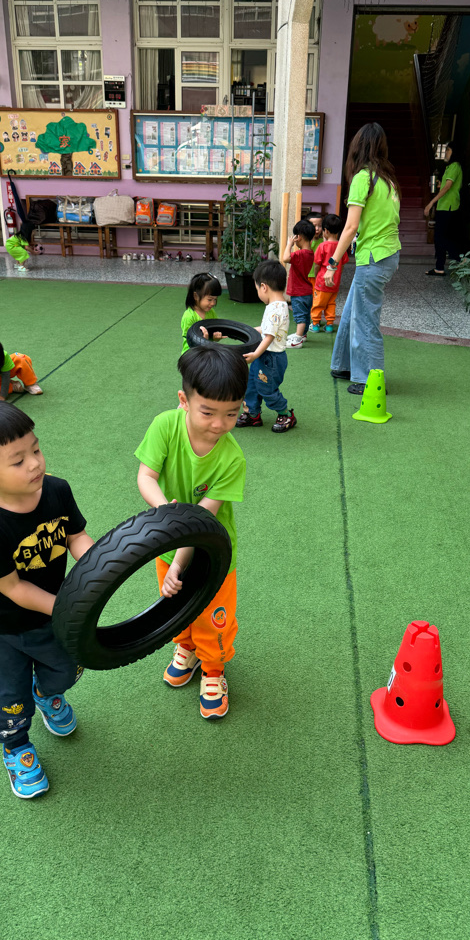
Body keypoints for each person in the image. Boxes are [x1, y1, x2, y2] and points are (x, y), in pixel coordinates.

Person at [0, 400, 95, 798]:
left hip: (50, 615)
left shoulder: (57, 490)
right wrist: (65, 607)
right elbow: (13, 588)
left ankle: (45, 694)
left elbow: (76, 536)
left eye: (36, 449)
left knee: (67, 670)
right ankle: (16, 747)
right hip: (2, 630)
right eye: (18, 460)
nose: (35, 464)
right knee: (8, 696)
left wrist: (100, 570)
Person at [135, 345, 248, 720]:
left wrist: (179, 563)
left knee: (214, 615)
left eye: (232, 413)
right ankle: (185, 646)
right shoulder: (165, 426)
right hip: (169, 541)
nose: (219, 424)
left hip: (211, 550)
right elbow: (146, 476)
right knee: (174, 604)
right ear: (184, 401)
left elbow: (200, 522)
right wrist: (165, 512)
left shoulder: (232, 459)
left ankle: (213, 668)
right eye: (208, 412)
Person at [325, 123, 401, 396]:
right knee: (352, 311)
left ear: (357, 147)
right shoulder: (388, 180)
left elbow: (350, 227)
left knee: (365, 320)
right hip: (387, 254)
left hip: (374, 257)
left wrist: (332, 264)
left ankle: (370, 379)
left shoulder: (362, 179)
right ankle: (342, 365)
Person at [236, 260, 297, 433]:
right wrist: (248, 330)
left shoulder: (274, 309)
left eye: (257, 289)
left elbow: (269, 337)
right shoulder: (279, 305)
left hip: (271, 358)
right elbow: (267, 329)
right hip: (265, 356)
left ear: (263, 287)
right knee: (252, 385)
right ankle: (253, 414)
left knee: (267, 389)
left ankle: (286, 414)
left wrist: (255, 354)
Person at [424, 143, 463, 275]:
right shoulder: (450, 167)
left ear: (454, 152)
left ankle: (459, 259)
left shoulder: (455, 166)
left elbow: (447, 187)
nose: (446, 152)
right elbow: (445, 186)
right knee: (441, 237)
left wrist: (431, 203)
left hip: (449, 206)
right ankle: (441, 266)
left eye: (448, 150)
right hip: (444, 206)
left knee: (441, 237)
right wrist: (439, 185)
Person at [310, 213, 348, 333]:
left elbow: (317, 264)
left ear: (325, 230)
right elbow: (343, 263)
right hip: (335, 282)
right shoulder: (341, 247)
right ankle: (330, 324)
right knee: (331, 303)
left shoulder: (322, 246)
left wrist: (316, 275)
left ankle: (315, 324)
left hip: (322, 281)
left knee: (318, 303)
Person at [281, 219, 315, 349]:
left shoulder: (300, 254)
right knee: (305, 315)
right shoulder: (310, 253)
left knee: (300, 316)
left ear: (298, 237)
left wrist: (289, 244)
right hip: (307, 291)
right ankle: (303, 334)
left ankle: (298, 339)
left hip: (298, 292)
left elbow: (285, 258)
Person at [180, 272, 223, 353]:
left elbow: (214, 331)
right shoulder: (189, 316)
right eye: (210, 299)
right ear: (196, 296)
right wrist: (203, 340)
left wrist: (216, 337)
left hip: (207, 351)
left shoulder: (211, 312)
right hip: (192, 353)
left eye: (215, 299)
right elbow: (189, 339)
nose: (213, 303)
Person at [306, 212, 324, 290]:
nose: (317, 229)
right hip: (306, 274)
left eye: (320, 226)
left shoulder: (322, 242)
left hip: (318, 275)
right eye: (314, 226)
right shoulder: (305, 241)